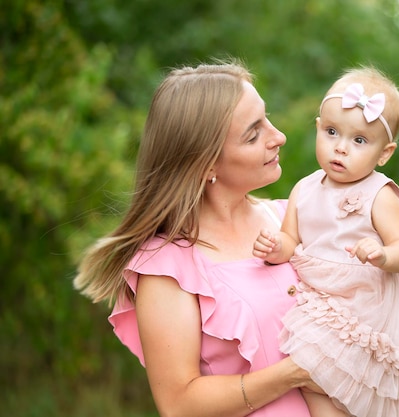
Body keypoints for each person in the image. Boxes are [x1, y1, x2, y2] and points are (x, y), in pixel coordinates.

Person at [73, 60, 321, 417]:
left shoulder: (292, 218)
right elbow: (179, 404)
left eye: (267, 119)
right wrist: (292, 374)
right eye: (253, 134)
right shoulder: (168, 265)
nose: (278, 136)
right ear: (206, 165)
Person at [253, 67, 399, 417]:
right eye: (332, 132)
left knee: (359, 392)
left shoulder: (379, 194)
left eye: (359, 141)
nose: (341, 148)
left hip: (365, 308)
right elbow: (292, 238)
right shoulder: (304, 188)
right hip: (322, 303)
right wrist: (278, 248)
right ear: (318, 127)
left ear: (385, 153)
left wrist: (382, 254)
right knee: (313, 380)